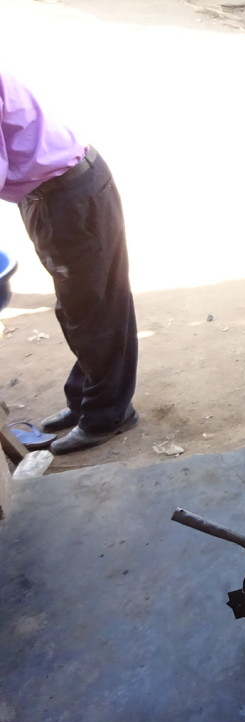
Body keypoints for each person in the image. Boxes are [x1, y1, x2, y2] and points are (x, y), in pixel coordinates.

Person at [0, 70, 139, 455]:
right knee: (80, 308)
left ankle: (107, 416)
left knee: (94, 310)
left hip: (66, 193)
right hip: (49, 193)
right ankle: (86, 399)